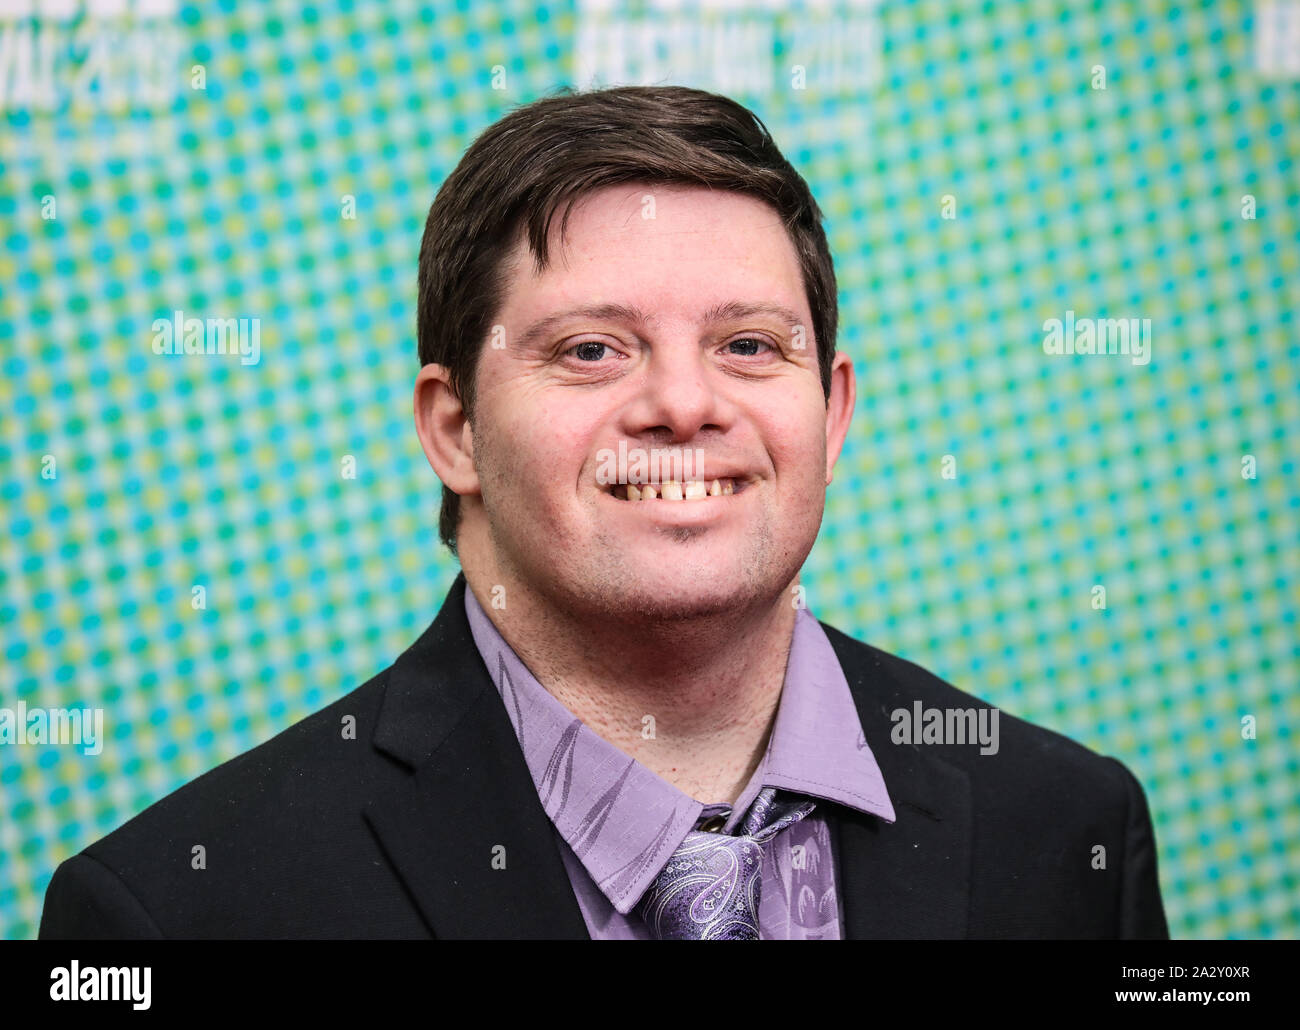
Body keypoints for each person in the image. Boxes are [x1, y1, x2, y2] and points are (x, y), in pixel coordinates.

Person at [39, 85, 1168, 939]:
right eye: (591, 349)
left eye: (746, 346)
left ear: (828, 415)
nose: (684, 402)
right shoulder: (179, 911)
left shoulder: (1067, 828)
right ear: (455, 428)